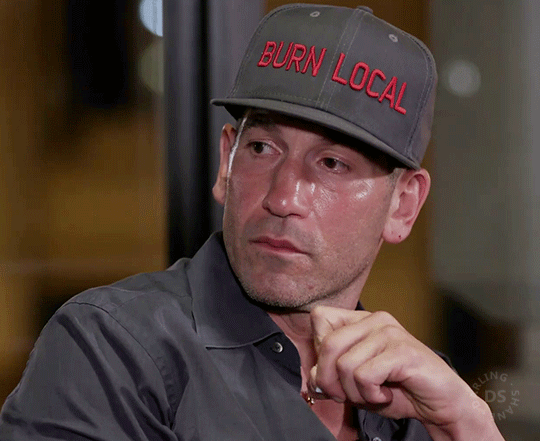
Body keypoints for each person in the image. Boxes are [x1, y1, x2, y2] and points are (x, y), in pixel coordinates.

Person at [0, 4, 504, 441]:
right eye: (262, 148)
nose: (283, 198)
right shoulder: (112, 351)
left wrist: (473, 424)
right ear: (227, 163)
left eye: (332, 164)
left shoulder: (425, 393)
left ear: (403, 206)